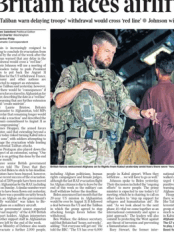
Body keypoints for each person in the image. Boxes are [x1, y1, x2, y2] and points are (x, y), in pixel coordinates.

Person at [51, 31, 155, 165]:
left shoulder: (113, 79)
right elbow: (59, 101)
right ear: (95, 48)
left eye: (112, 53)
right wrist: (83, 85)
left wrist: (141, 113)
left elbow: (127, 106)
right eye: (107, 51)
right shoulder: (73, 71)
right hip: (78, 148)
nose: (110, 57)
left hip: (105, 149)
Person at [129, 52, 174, 164]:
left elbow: (142, 124)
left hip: (163, 154)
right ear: (171, 71)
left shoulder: (151, 94)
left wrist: (134, 134)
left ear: (157, 70)